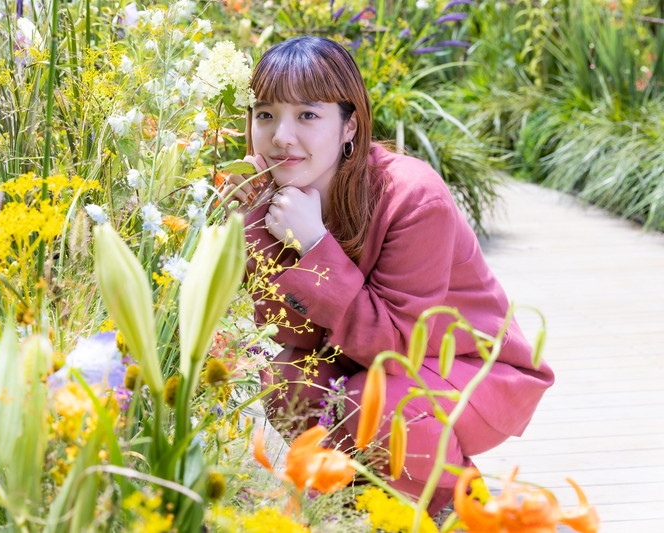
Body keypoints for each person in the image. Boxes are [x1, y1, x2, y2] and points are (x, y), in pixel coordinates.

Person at [221, 36, 554, 514]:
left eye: (308, 115)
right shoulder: (276, 197)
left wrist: (314, 245)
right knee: (288, 376)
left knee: (370, 399)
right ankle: (359, 497)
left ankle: (447, 504)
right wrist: (257, 223)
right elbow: (290, 330)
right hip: (376, 368)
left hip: (469, 369)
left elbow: (395, 346)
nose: (280, 136)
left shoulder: (414, 197)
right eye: (266, 114)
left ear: (349, 124)